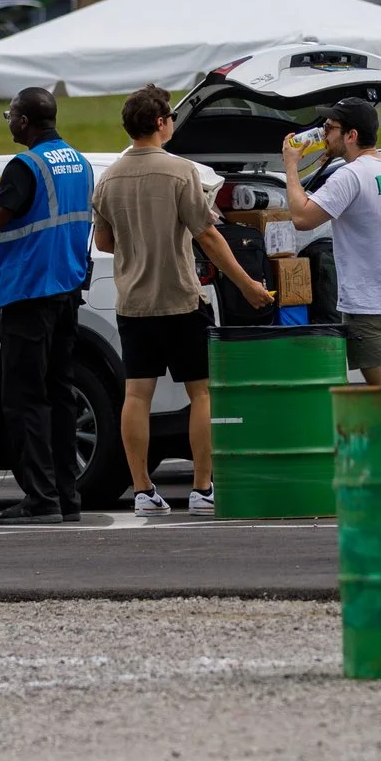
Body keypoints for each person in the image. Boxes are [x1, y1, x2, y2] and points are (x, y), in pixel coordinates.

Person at [91, 85, 274, 515]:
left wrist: (139, 247)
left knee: (136, 395)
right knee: (202, 393)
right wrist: (248, 285)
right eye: (170, 117)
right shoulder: (181, 173)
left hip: (132, 303)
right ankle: (202, 487)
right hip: (179, 298)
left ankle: (141, 490)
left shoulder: (108, 178)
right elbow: (208, 235)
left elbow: (104, 241)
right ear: (159, 123)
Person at [0, 86, 94, 525]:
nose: (7, 120)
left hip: (30, 291)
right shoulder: (78, 161)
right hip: (66, 289)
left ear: (25, 121)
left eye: (10, 115)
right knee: (59, 397)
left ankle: (39, 498)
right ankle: (66, 497)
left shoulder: (25, 164)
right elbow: (34, 208)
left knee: (23, 398)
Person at [285, 97, 381, 387]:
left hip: (372, 308)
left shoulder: (350, 175)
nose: (324, 134)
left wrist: (291, 166)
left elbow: (301, 218)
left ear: (351, 135)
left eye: (330, 128)